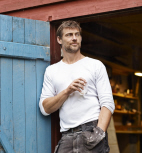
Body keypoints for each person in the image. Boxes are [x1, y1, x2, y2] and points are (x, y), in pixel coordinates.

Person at [39, 20, 115, 153]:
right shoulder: (52, 70)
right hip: (66, 137)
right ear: (59, 39)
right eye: (69, 35)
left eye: (77, 34)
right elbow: (45, 108)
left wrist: (99, 133)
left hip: (91, 131)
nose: (74, 38)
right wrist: (67, 91)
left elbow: (107, 103)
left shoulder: (95, 65)